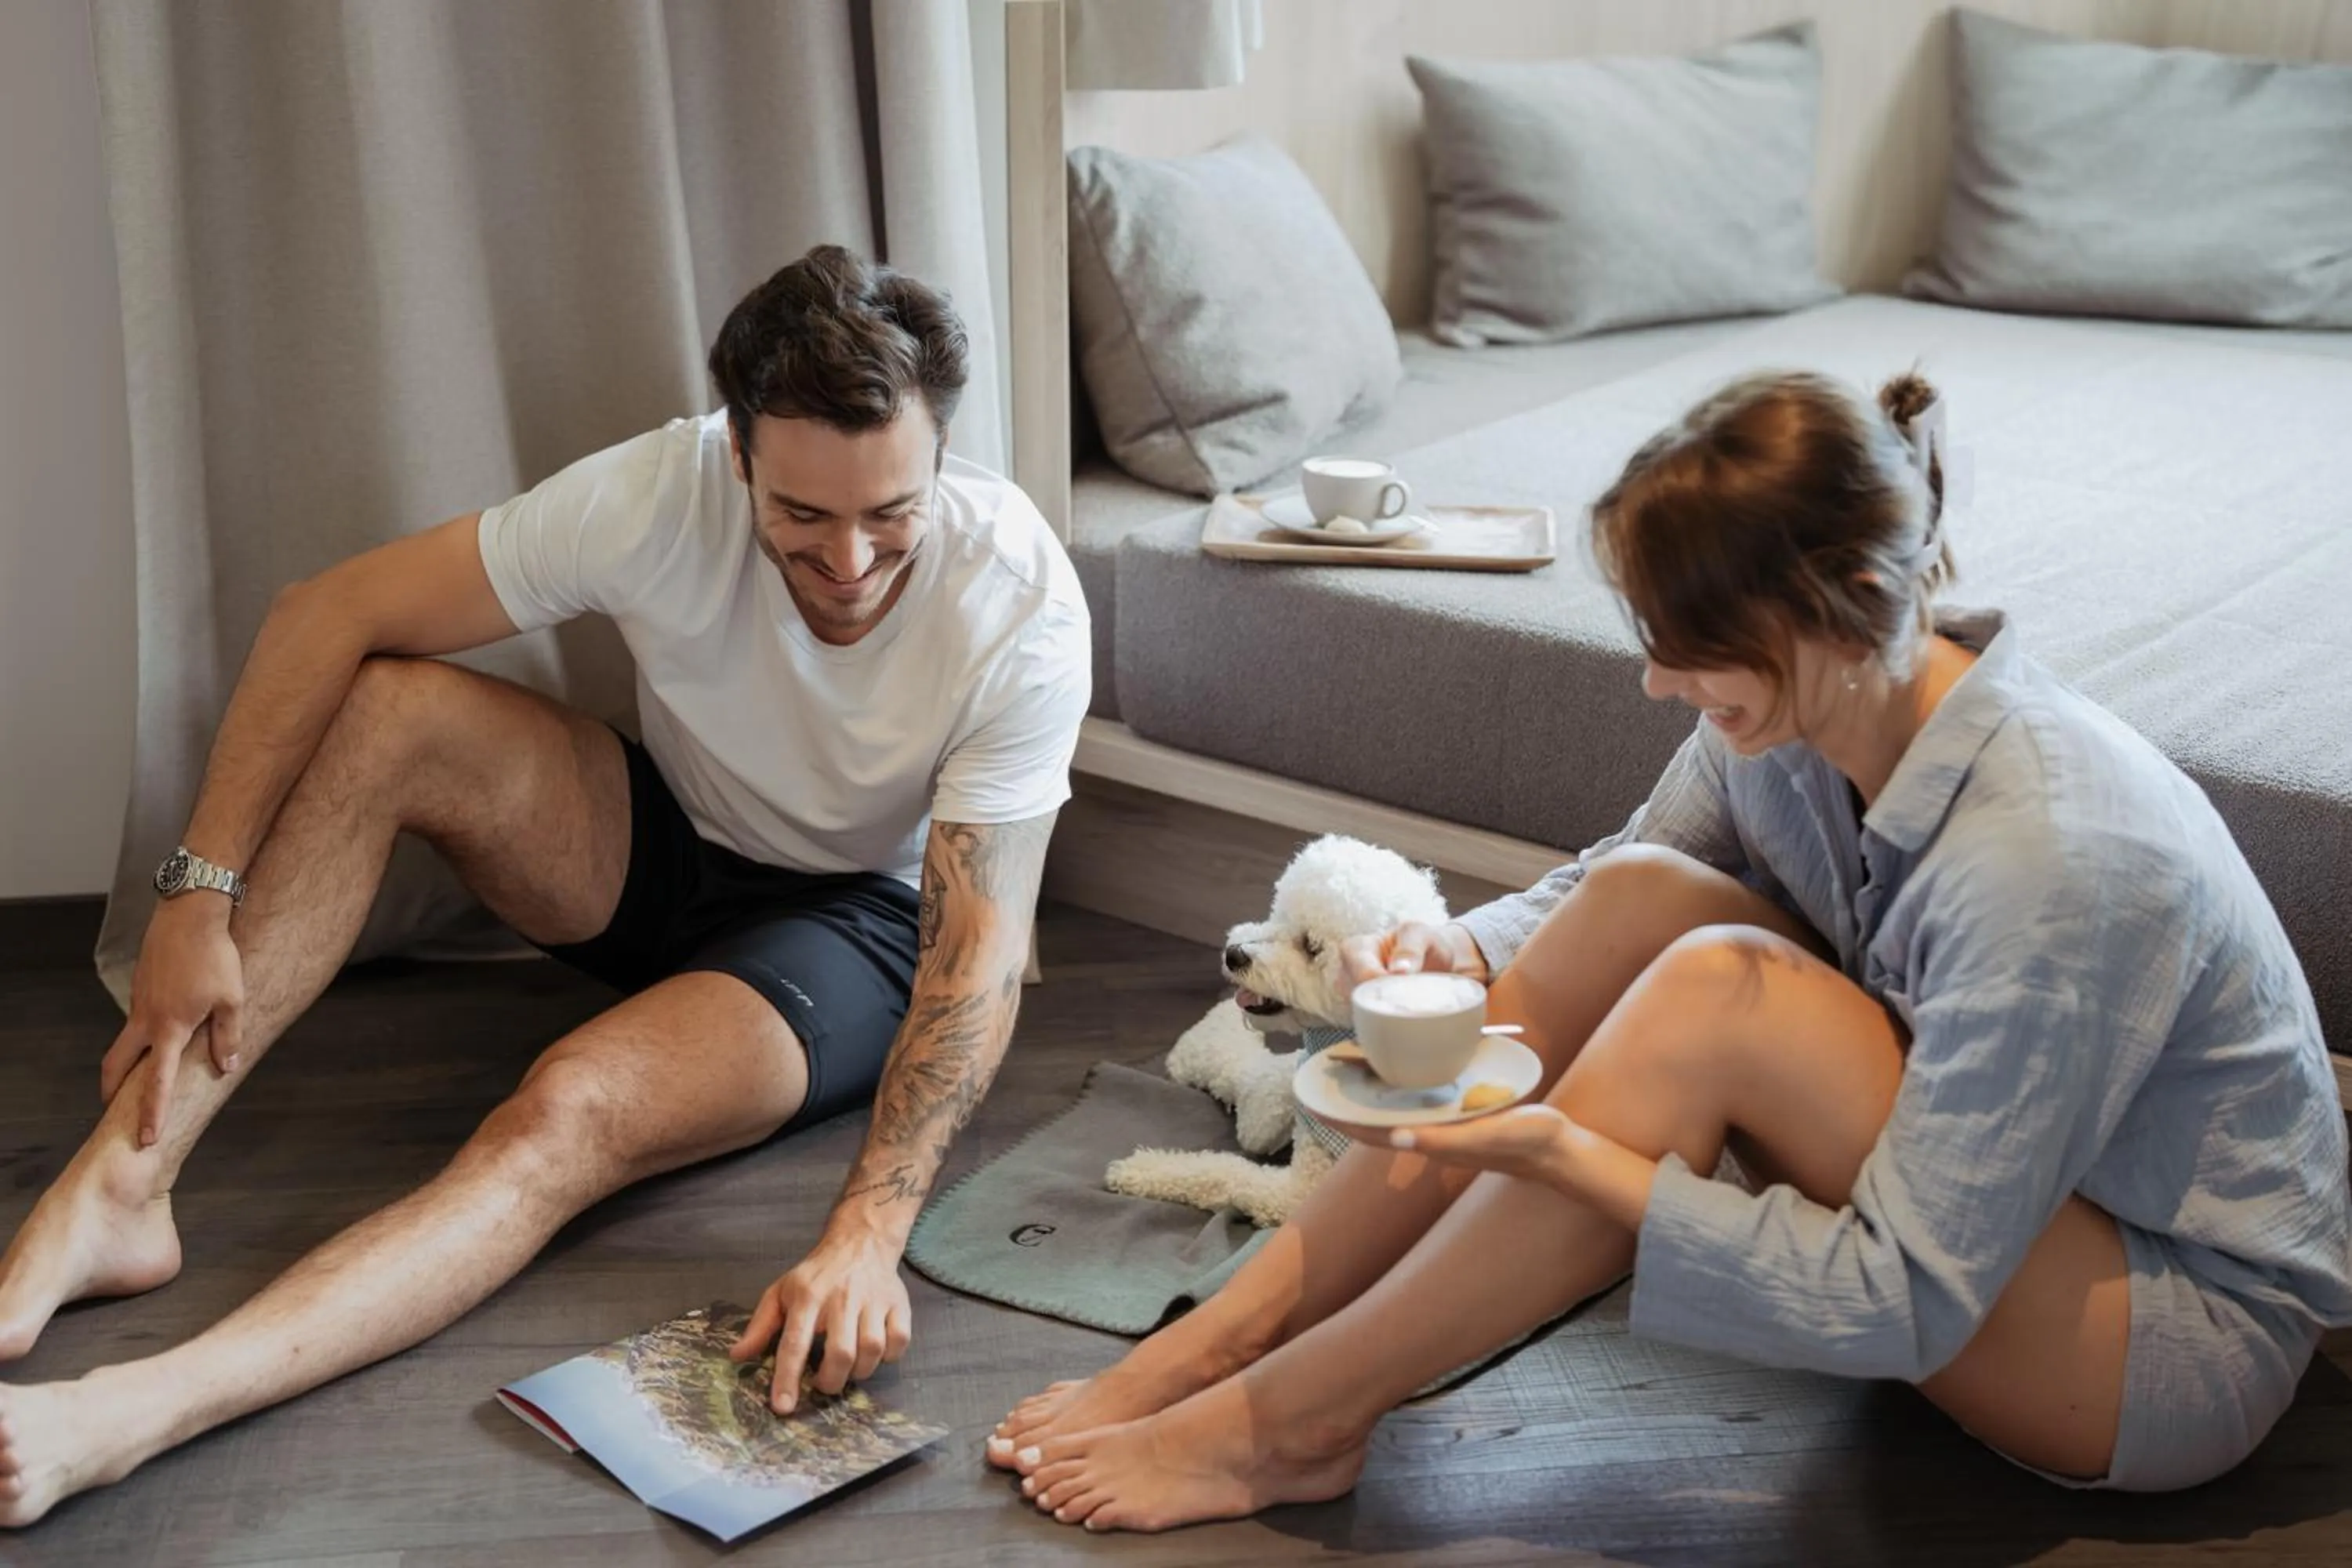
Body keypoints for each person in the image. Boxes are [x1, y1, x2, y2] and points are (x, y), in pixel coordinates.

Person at [985, 368, 2352, 1532]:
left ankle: (1293, 1420)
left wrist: (1578, 1153)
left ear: (1853, 601)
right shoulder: (1809, 704)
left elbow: (1906, 1297)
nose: (1656, 681)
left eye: (1693, 648)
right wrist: (1455, 951)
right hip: (1986, 1229)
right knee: (1650, 894)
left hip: (2157, 1335)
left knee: (1715, 997)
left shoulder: (2048, 859)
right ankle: (1232, 1336)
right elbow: (1613, 885)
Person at [0, 245, 1088, 1527]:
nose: (850, 560)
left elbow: (971, 959)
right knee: (393, 709)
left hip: (858, 927)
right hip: (670, 844)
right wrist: (197, 895)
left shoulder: (1018, 604)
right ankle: (119, 1190)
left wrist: (866, 1234)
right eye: (804, 516)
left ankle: (139, 1409)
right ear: (739, 457)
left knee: (560, 1113)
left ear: (940, 459)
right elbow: (323, 613)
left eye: (890, 512)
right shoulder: (658, 492)